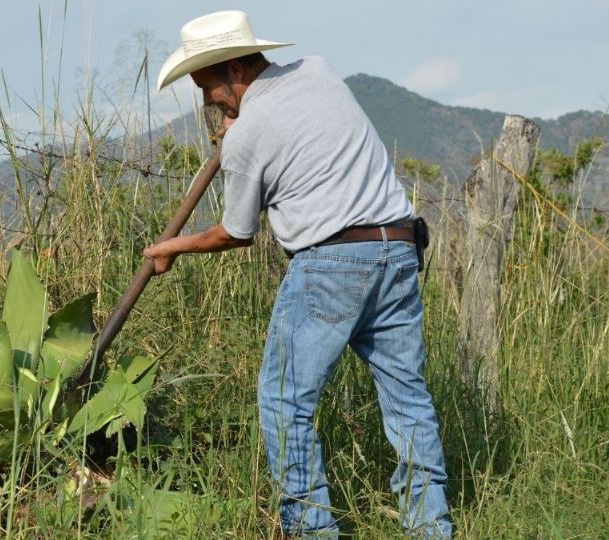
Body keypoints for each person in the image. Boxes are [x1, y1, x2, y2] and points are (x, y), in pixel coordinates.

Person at [145, 10, 452, 538]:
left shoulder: (245, 138)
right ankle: (430, 527)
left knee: (285, 401)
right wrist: (241, 117)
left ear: (235, 68)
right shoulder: (319, 71)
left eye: (208, 88)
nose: (208, 103)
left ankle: (310, 530)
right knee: (408, 398)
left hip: (331, 263)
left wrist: (175, 245)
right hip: (398, 248)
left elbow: (236, 233)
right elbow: (292, 120)